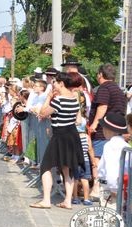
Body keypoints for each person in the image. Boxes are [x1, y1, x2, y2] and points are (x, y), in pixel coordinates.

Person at [29, 72, 85, 210]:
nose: (53, 84)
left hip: (60, 135)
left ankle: (46, 200)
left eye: (55, 82)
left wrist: (48, 98)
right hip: (72, 134)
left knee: (46, 166)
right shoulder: (74, 99)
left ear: (61, 83)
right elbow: (78, 120)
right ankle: (68, 201)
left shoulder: (59, 100)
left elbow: (42, 112)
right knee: (67, 168)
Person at [88, 63, 127, 200]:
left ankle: (97, 189)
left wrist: (94, 124)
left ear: (100, 74)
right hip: (116, 129)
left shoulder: (104, 88)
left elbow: (102, 107)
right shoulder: (117, 89)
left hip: (103, 129)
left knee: (97, 160)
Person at [96, 111, 129, 201]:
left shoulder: (110, 145)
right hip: (122, 186)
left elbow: (112, 167)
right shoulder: (125, 145)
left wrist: (113, 187)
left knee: (108, 213)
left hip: (110, 187)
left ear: (108, 130)